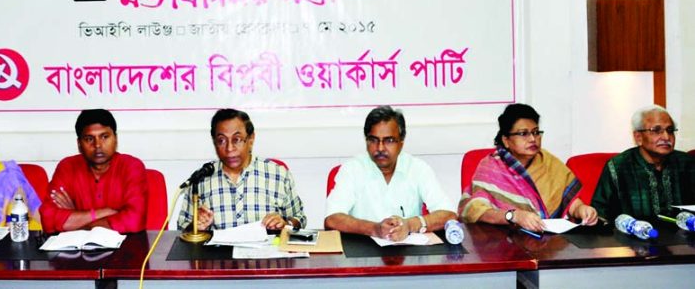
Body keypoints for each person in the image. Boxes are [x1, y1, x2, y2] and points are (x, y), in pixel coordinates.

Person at [459, 103, 598, 232]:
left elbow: (569, 201)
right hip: (504, 242)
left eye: (536, 132)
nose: (533, 139)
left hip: (550, 244)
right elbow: (476, 211)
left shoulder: (549, 162)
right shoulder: (491, 167)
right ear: (506, 140)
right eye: (523, 133)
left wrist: (581, 209)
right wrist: (513, 216)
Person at [325, 106, 457, 241]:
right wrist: (375, 229)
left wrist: (410, 225)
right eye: (374, 140)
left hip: (409, 254)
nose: (380, 148)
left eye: (389, 140)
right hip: (362, 255)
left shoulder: (417, 168)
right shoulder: (352, 169)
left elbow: (448, 214)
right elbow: (332, 219)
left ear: (401, 142)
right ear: (366, 141)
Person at [177, 108, 306, 231]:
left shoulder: (278, 175)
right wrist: (196, 225)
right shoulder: (201, 179)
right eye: (221, 140)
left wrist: (285, 223)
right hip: (216, 253)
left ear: (251, 139)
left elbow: (299, 219)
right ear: (214, 142)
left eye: (237, 140)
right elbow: (182, 229)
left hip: (265, 253)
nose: (229, 148)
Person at [40, 109, 147, 234]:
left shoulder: (131, 166)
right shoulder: (67, 167)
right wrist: (106, 213)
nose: (97, 145)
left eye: (104, 137)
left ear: (115, 139)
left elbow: (134, 221)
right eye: (89, 139)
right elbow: (48, 220)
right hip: (76, 251)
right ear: (79, 144)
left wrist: (76, 220)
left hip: (126, 249)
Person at [591, 105, 695, 221]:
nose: (666, 137)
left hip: (684, 237)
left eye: (670, 130)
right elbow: (599, 213)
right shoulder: (617, 167)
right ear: (638, 137)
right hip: (633, 236)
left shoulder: (688, 164)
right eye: (656, 130)